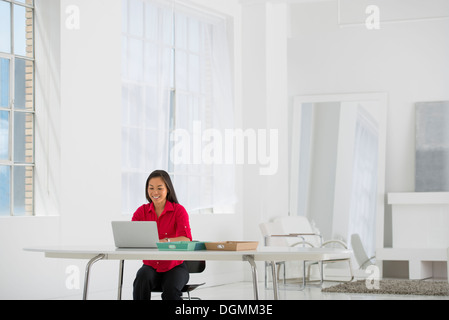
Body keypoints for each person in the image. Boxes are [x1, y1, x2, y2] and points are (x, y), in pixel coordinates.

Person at [132, 170, 192, 300]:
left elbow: (186, 239)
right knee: (141, 279)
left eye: (160, 188)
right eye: (151, 188)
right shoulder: (141, 212)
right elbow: (133, 235)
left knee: (170, 292)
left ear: (168, 189)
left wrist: (167, 240)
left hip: (175, 266)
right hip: (151, 265)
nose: (155, 192)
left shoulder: (178, 210)